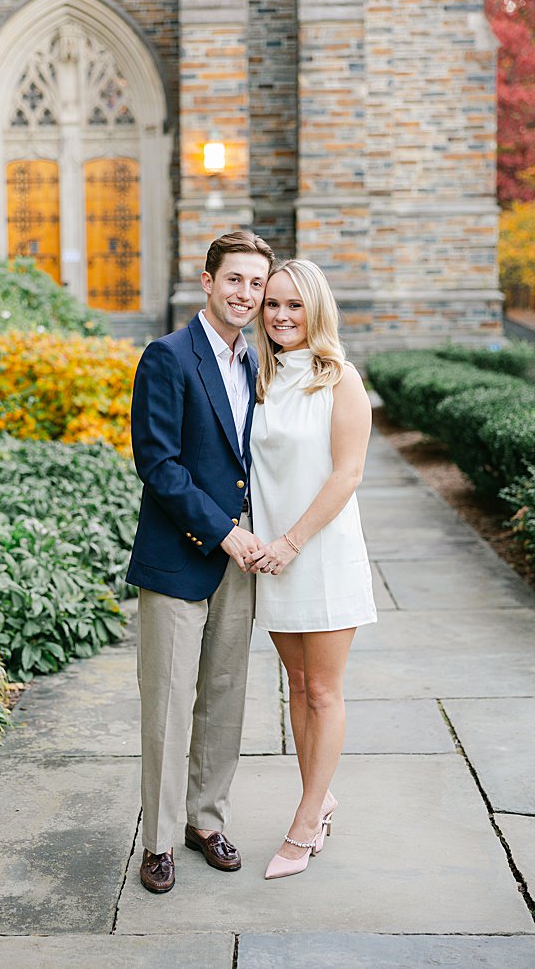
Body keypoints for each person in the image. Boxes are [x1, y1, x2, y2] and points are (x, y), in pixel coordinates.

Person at [127, 229, 274, 893]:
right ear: (208, 280)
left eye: (256, 283)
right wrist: (222, 532)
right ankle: (157, 840)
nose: (246, 293)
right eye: (235, 279)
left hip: (243, 560)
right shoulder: (167, 356)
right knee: (167, 702)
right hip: (181, 554)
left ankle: (205, 820)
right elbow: (157, 463)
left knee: (224, 696)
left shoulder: (260, 361)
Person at [245, 258, 377, 880]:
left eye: (294, 305)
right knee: (295, 688)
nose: (280, 315)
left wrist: (293, 541)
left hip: (319, 553)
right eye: (272, 304)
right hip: (273, 558)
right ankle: (318, 798)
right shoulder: (259, 378)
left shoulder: (339, 378)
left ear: (316, 309)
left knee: (323, 691)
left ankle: (303, 825)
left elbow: (346, 474)